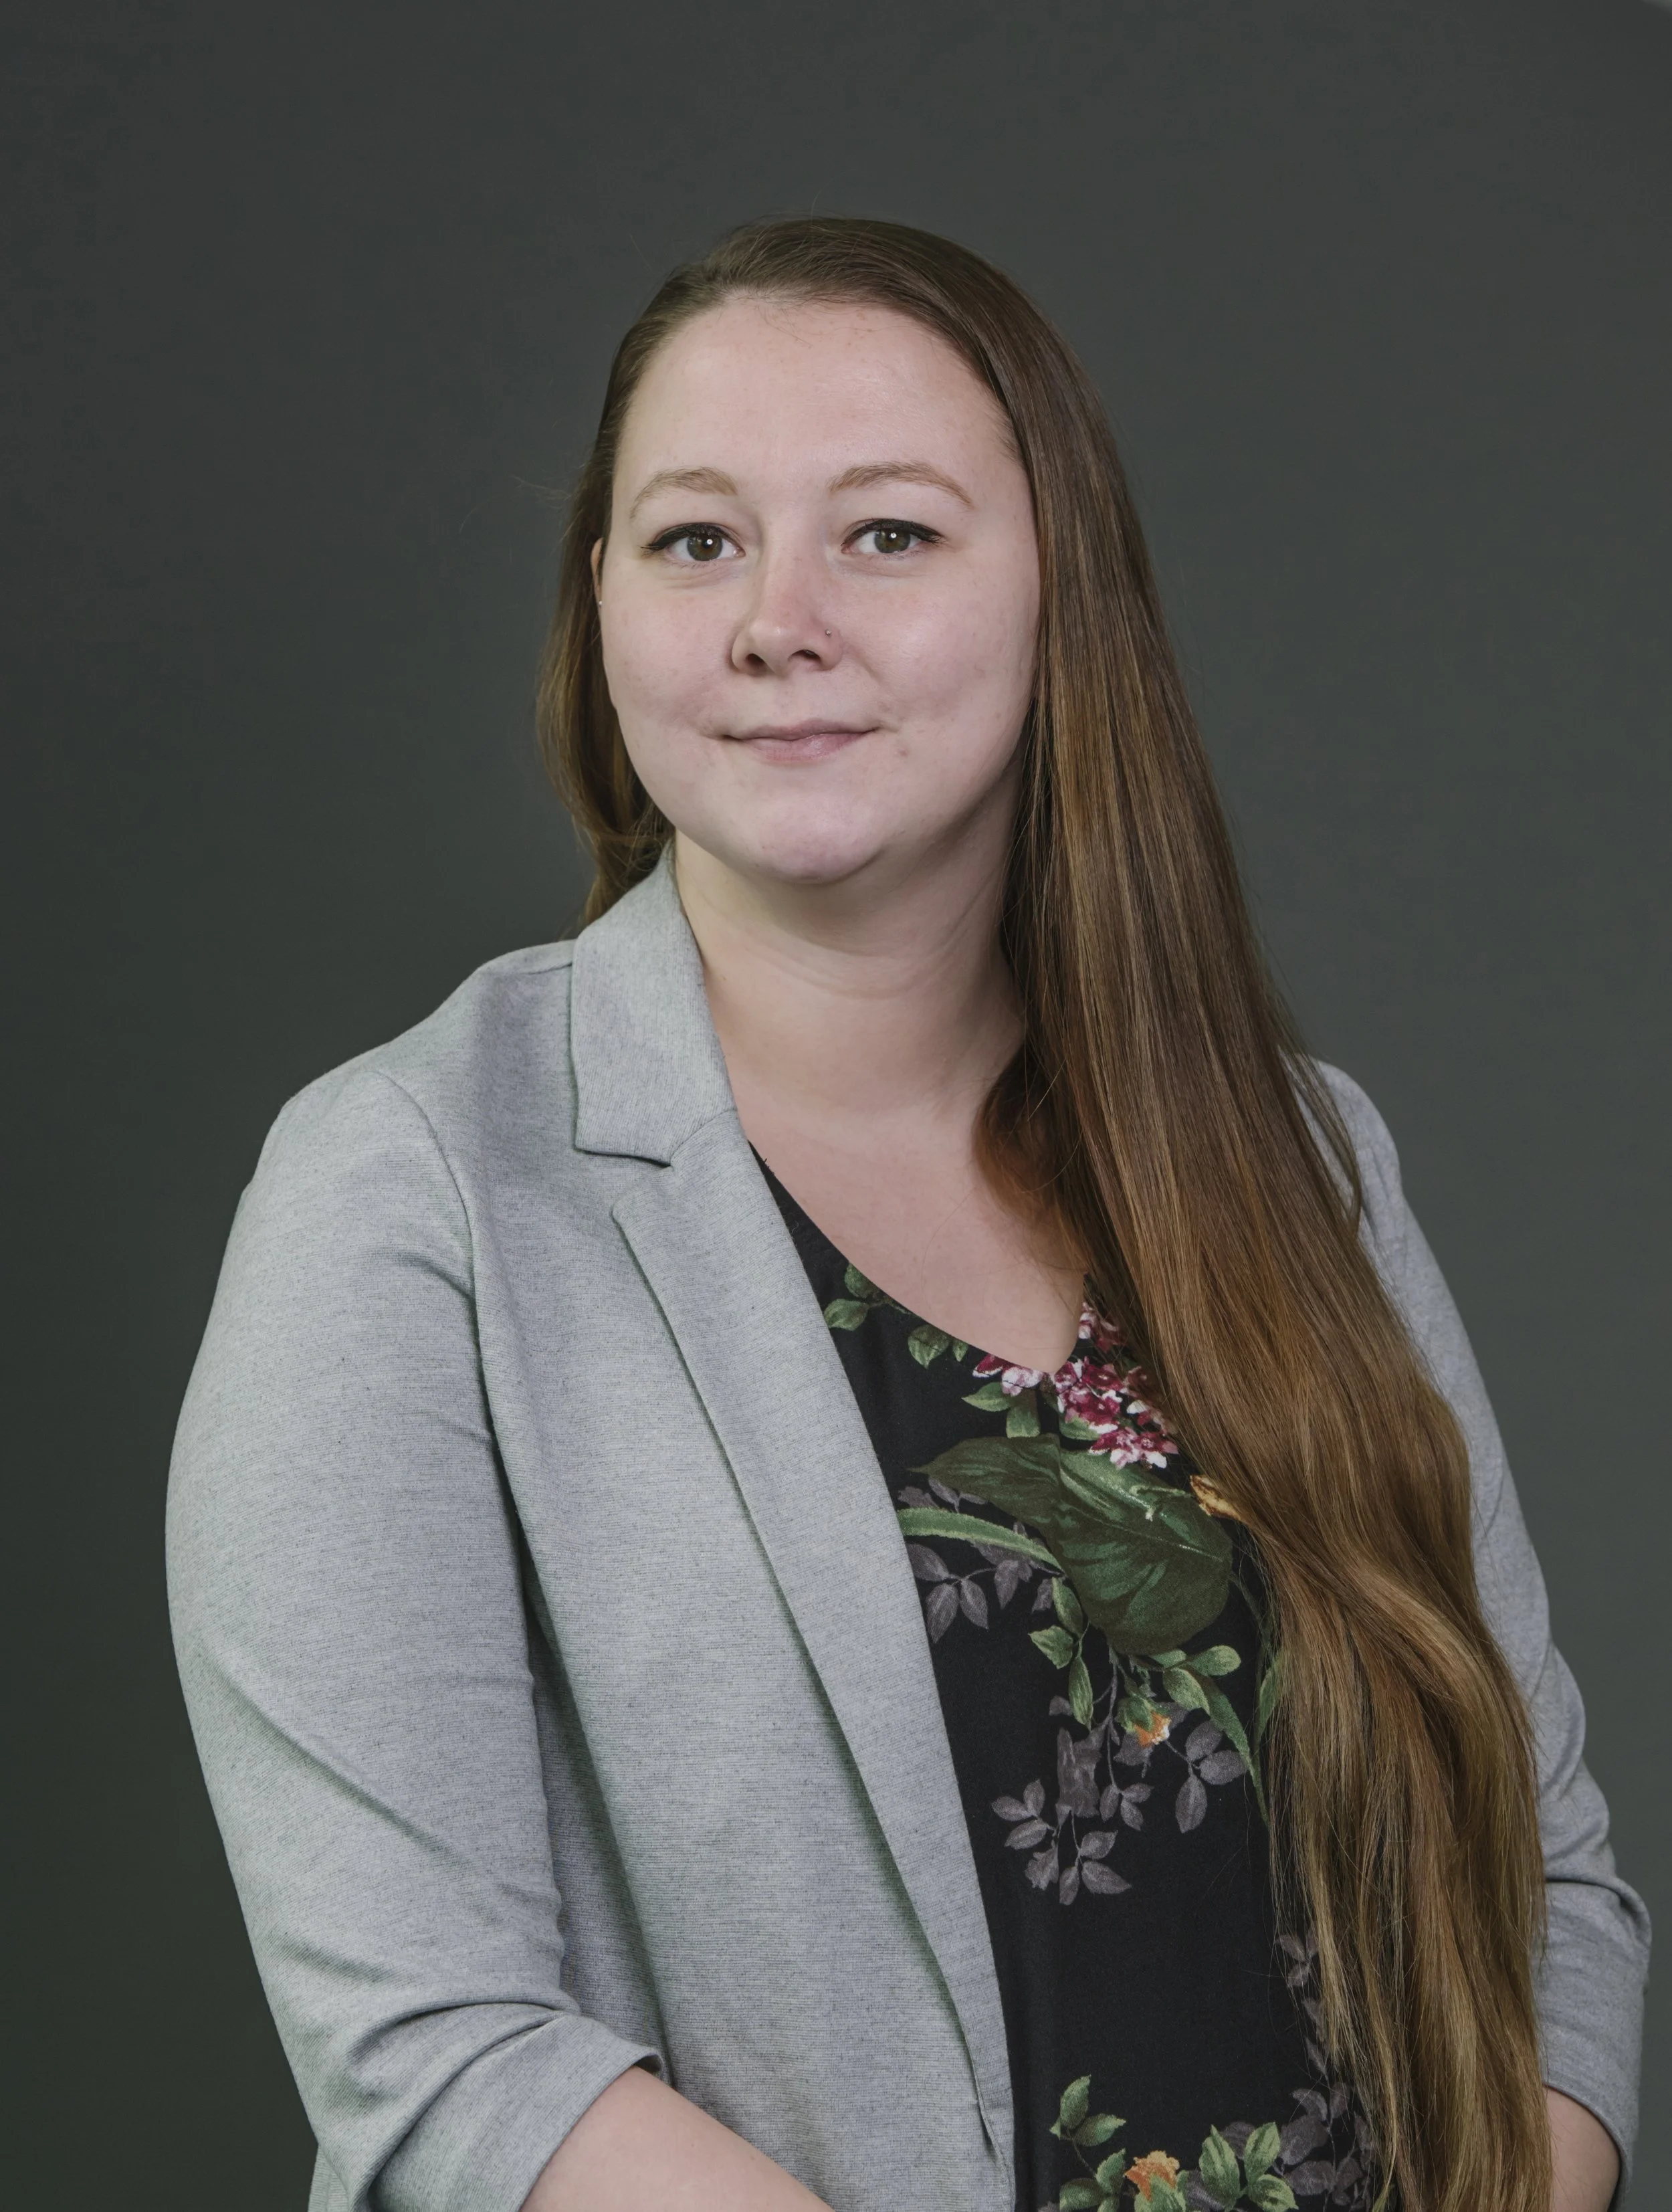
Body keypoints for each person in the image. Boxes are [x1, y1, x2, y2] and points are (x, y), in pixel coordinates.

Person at [167, 217, 1647, 2212]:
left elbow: (1540, 1882)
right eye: (695, 539)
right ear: (596, 602)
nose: (779, 619)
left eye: (886, 534)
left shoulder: (1295, 1154)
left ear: (1063, 596)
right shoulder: (408, 1190)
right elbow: (440, 2052)